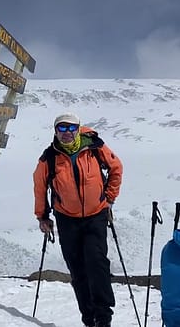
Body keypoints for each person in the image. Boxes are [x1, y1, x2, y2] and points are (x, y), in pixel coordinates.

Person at [33, 113, 123, 327]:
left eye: (71, 128)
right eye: (61, 129)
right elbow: (40, 187)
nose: (67, 133)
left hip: (96, 215)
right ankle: (88, 317)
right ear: (55, 131)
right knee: (78, 268)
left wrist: (109, 198)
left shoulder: (94, 147)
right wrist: (42, 216)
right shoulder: (49, 158)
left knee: (97, 262)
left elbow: (116, 168)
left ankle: (103, 316)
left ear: (78, 129)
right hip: (66, 219)